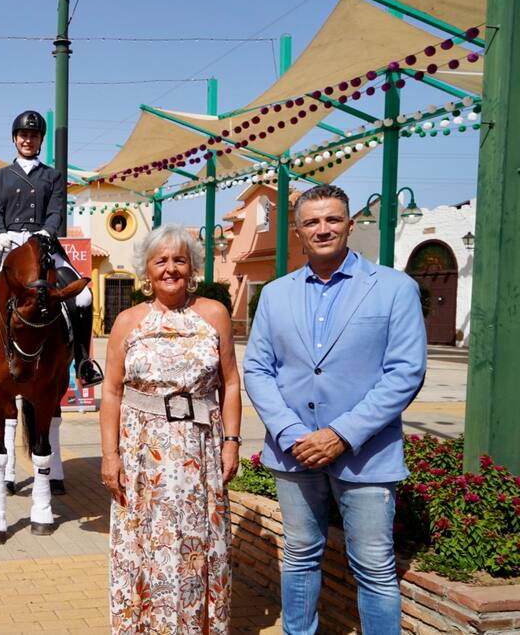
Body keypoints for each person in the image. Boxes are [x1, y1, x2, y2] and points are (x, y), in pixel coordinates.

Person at [244, 184, 426, 635]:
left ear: (349, 224)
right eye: (311, 222)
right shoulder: (275, 294)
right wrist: (290, 433)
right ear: (298, 232)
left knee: (374, 566)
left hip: (367, 454)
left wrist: (341, 434)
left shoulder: (394, 288)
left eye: (332, 219)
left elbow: (405, 372)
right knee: (300, 555)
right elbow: (258, 370)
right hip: (294, 452)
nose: (322, 229)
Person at [99, 224, 241, 634]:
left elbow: (231, 383)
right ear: (146, 269)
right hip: (141, 455)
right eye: (161, 260)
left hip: (199, 450)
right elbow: (111, 391)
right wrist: (110, 455)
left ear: (192, 267)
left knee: (198, 539)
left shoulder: (214, 314)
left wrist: (231, 443)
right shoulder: (127, 321)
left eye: (180, 260)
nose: (170, 269)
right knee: (145, 541)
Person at [0, 110, 103, 390]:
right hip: (7, 243)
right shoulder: (1, 176)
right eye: (23, 135)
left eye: (34, 136)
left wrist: (47, 232)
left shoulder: (53, 176)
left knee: (83, 297)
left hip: (43, 243)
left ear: (41, 140)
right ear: (14, 138)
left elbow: (56, 211)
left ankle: (83, 361)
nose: (28, 140)